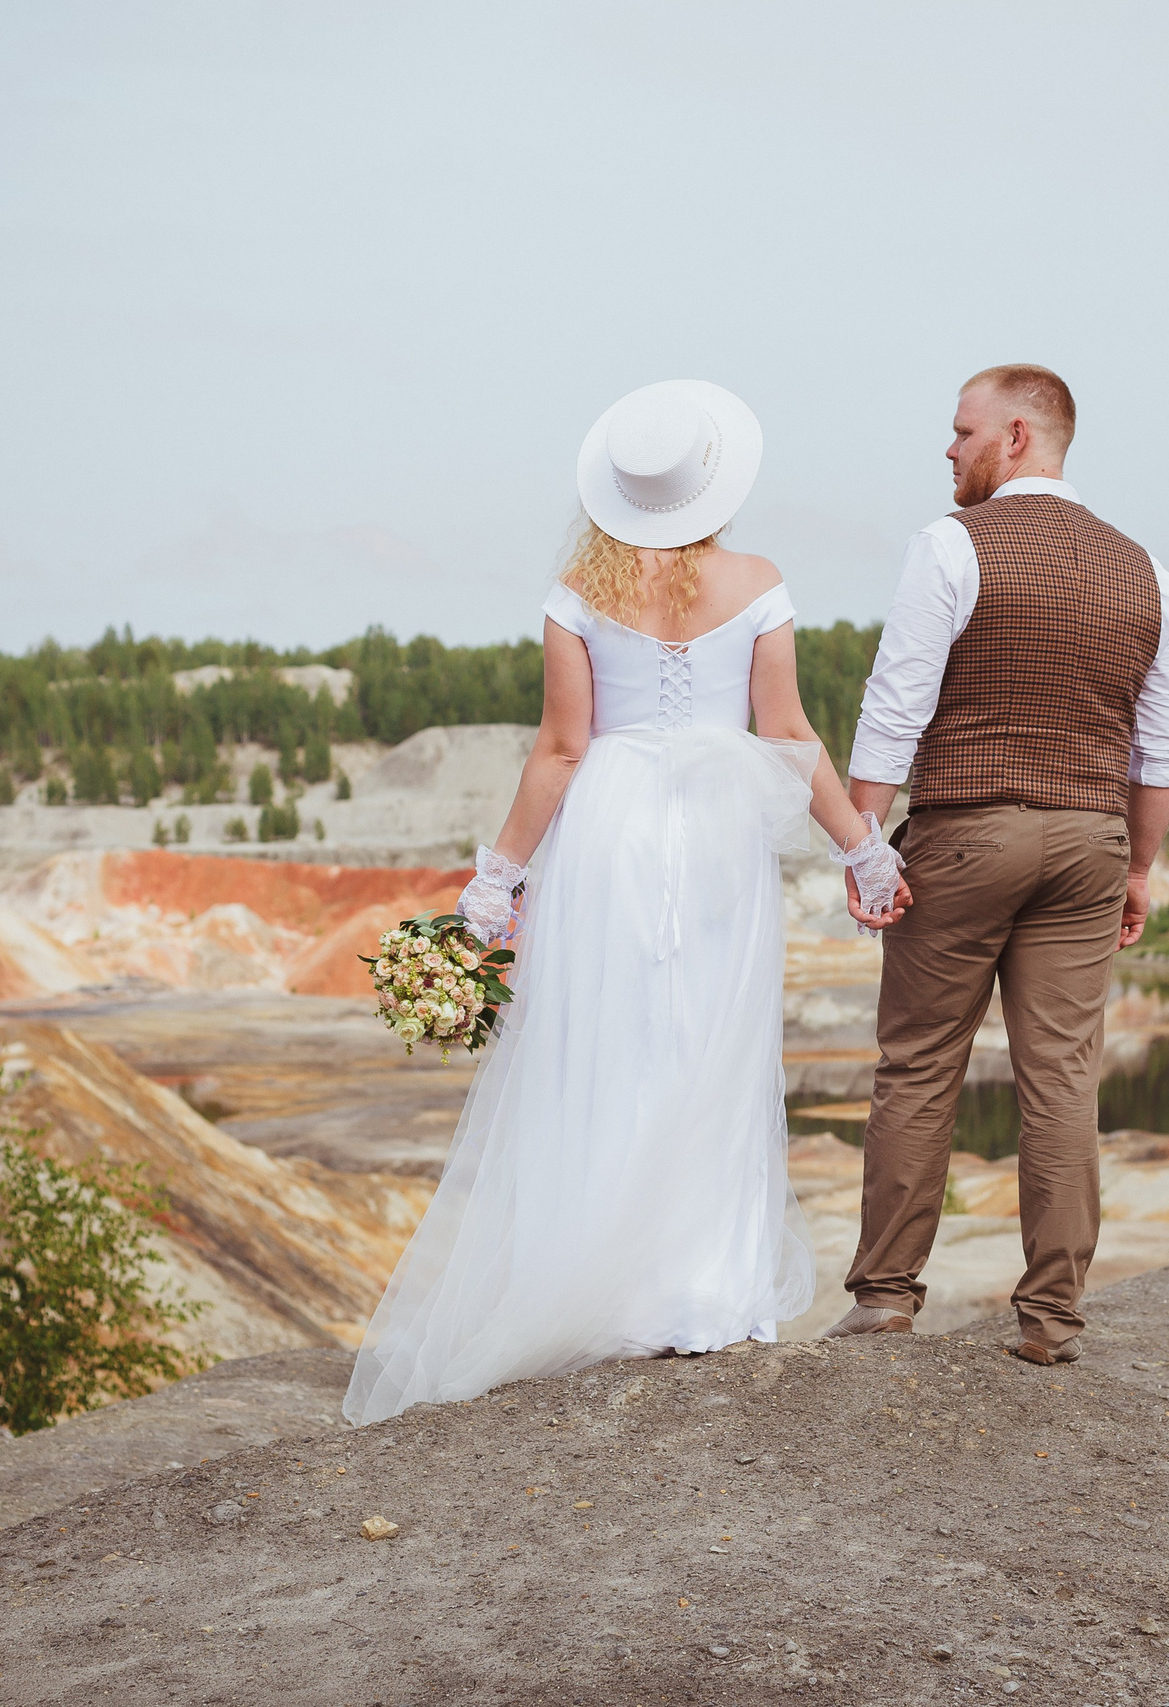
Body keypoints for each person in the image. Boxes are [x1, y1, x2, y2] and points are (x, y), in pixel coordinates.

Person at [343, 380, 906, 1424]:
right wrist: (863, 848)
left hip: (610, 829)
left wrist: (497, 877)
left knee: (609, 1043)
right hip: (723, 833)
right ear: (711, 484)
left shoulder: (575, 591)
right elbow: (787, 733)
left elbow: (561, 752)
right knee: (711, 1040)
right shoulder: (761, 581)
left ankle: (610, 1291)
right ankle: (706, 1289)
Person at [825, 364, 1169, 1365]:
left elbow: (895, 703)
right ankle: (1052, 1317)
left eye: (961, 431)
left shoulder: (950, 546)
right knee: (1063, 1079)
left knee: (919, 1065)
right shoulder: (1145, 570)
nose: (948, 450)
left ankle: (888, 1297)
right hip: (1089, 842)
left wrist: (864, 843)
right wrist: (1139, 868)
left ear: (1019, 436)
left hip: (968, 832)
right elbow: (1162, 749)